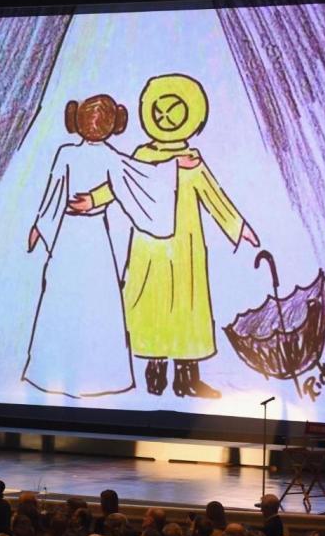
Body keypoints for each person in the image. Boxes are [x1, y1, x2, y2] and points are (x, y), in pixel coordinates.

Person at [71, 74, 259, 398]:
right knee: (151, 305)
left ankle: (187, 379)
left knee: (187, 307)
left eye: (174, 111)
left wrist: (238, 227)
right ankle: (154, 373)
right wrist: (92, 199)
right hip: (150, 248)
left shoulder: (192, 161)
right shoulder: (144, 156)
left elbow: (214, 196)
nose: (166, 118)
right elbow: (122, 182)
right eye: (161, 111)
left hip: (185, 247)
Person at [24, 93, 198, 398]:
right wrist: (41, 225)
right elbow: (54, 192)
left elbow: (140, 177)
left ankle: (101, 377)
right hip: (72, 235)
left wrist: (174, 163)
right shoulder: (68, 154)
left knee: (98, 300)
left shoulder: (110, 157)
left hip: (93, 237)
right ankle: (51, 371)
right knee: (64, 295)